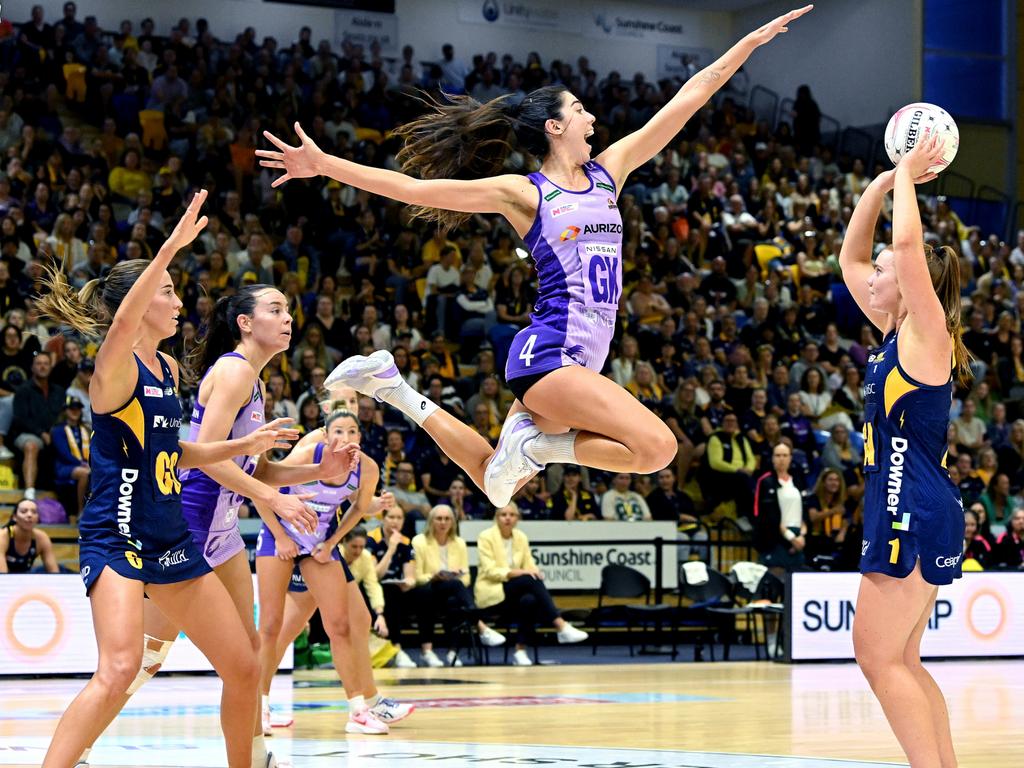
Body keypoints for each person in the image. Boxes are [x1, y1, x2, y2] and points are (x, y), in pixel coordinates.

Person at [261, 8, 813, 511]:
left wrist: (749, 44)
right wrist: (326, 164)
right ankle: (542, 446)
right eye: (579, 109)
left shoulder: (609, 172)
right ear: (555, 126)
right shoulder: (523, 193)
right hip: (549, 355)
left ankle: (395, 389)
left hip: (582, 362)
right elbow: (414, 190)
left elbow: (691, 96)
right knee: (657, 448)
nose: (592, 117)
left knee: (495, 484)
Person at [34, 190, 300, 768]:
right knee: (121, 668)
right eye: (169, 290)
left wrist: (242, 446)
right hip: (117, 534)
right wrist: (168, 249)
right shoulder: (115, 366)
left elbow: (170, 451)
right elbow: (125, 319)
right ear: (139, 300)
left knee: (245, 662)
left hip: (168, 534)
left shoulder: (167, 367)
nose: (179, 300)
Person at [837, 130, 967, 767]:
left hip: (907, 503)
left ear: (911, 285)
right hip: (912, 500)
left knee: (878, 656)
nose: (875, 274)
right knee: (902, 659)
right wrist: (883, 183)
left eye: (886, 272)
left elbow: (905, 245)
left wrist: (909, 175)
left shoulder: (926, 331)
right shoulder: (893, 333)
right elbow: (850, 258)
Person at [254, 408, 412, 734]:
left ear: (360, 436)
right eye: (338, 431)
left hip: (318, 544)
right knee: (270, 625)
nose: (346, 438)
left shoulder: (366, 468)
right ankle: (260, 706)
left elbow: (358, 509)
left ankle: (357, 710)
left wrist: (332, 542)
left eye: (353, 432)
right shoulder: (308, 454)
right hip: (278, 537)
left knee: (340, 625)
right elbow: (261, 485)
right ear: (326, 436)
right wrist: (281, 536)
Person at [474, 503, 588, 665]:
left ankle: (520, 651)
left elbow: (530, 564)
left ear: (517, 518)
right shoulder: (486, 536)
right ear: (496, 518)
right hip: (493, 593)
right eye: (503, 515)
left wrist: (534, 572)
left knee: (530, 600)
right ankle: (560, 625)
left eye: (512, 515)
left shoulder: (521, 537)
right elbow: (490, 571)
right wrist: (522, 573)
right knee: (529, 579)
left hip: (516, 593)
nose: (508, 518)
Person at [413, 503, 506, 666]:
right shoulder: (419, 541)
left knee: (455, 600)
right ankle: (481, 627)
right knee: (449, 589)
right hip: (426, 589)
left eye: (447, 519)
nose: (443, 522)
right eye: (439, 519)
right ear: (431, 521)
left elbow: (466, 578)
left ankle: (452, 653)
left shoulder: (459, 543)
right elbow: (417, 577)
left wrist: (453, 576)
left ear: (453, 522)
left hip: (449, 592)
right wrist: (434, 576)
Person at [365, 504, 425, 668]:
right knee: (390, 593)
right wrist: (391, 549)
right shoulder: (371, 539)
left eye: (399, 518)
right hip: (373, 589)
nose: (395, 522)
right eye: (391, 517)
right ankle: (397, 648)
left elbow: (410, 576)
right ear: (383, 519)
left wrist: (408, 583)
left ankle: (427, 650)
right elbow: (374, 575)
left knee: (424, 593)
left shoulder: (406, 542)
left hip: (397, 589)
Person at [752, 442, 805, 572]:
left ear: (790, 458)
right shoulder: (765, 481)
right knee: (775, 579)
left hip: (798, 537)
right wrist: (790, 537)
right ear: (772, 458)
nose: (781, 459)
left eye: (785, 455)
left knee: (796, 584)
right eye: (778, 455)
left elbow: (804, 511)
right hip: (775, 537)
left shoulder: (797, 480)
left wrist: (801, 535)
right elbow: (766, 514)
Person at [51, 395, 91, 519]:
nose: (75, 411)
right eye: (71, 408)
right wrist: (82, 463)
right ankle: (81, 511)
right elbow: (63, 453)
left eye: (78, 408)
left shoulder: (86, 429)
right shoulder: (58, 430)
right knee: (84, 473)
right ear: (65, 410)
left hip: (86, 465)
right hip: (65, 466)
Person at [0, 498, 58, 573]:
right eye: (24, 511)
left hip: (25, 577)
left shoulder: (41, 538)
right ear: (14, 517)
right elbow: (2, 577)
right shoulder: (3, 536)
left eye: (34, 512)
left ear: (38, 518)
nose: (29, 515)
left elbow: (54, 572)